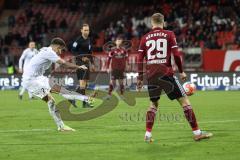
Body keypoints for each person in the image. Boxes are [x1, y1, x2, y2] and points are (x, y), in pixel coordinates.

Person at [137, 13, 213, 142]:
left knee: (153, 104)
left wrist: (140, 78)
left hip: (152, 76)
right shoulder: (169, 34)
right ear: (163, 22)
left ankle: (148, 134)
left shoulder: (145, 38)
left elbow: (140, 59)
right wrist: (182, 71)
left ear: (151, 23)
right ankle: (197, 132)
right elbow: (176, 55)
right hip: (166, 74)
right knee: (184, 101)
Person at [22, 37, 93, 131]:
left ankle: (61, 127)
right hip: (32, 79)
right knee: (61, 90)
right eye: (61, 49)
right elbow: (63, 64)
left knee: (51, 101)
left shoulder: (46, 50)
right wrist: (78, 67)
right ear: (57, 47)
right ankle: (85, 98)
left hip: (33, 79)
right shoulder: (49, 52)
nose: (60, 52)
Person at [71, 23, 95, 108]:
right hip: (80, 63)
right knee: (82, 83)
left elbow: (90, 52)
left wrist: (92, 63)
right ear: (81, 30)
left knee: (85, 84)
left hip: (87, 63)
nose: (86, 32)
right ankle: (85, 102)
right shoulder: (78, 40)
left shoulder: (88, 40)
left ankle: (73, 98)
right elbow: (73, 51)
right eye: (85, 30)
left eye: (87, 30)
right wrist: (81, 58)